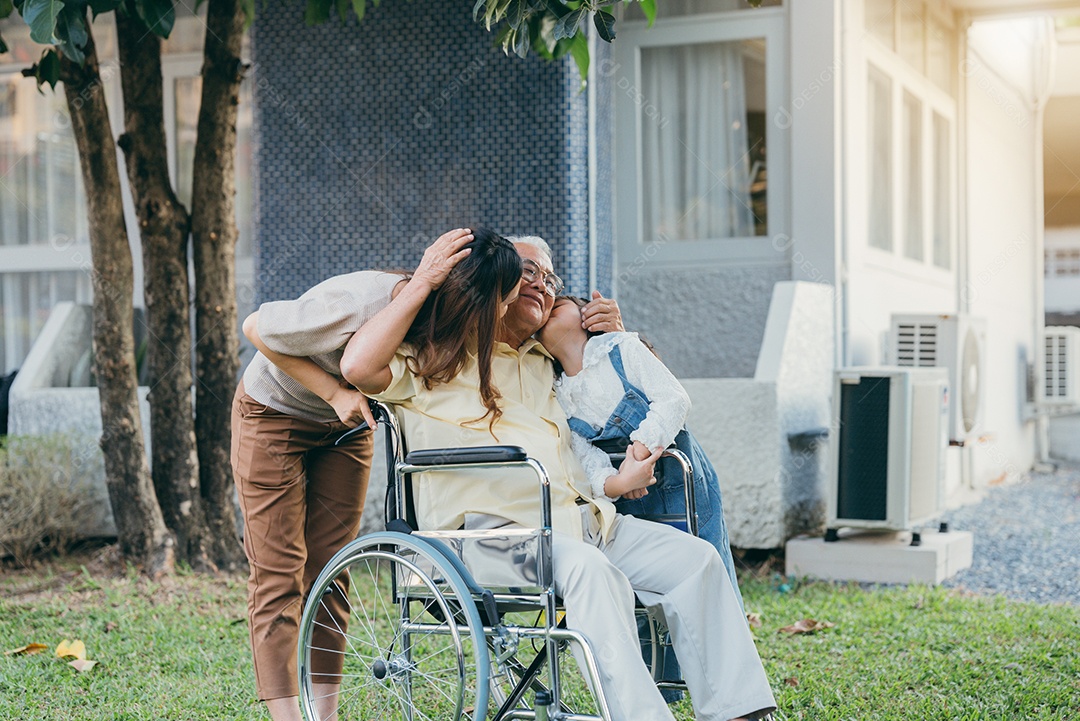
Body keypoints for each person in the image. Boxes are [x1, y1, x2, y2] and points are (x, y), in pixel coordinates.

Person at [341, 231, 777, 721]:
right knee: (589, 571)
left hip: (584, 523)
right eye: (527, 271)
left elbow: (638, 394)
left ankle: (739, 712)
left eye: (550, 278)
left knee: (695, 562)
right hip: (490, 541)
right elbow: (357, 365)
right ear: (495, 286)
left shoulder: (545, 361)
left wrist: (615, 334)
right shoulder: (434, 359)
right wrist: (424, 281)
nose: (542, 284)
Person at [231, 229, 621, 721]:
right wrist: (334, 394)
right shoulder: (362, 299)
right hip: (276, 412)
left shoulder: (454, 317)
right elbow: (257, 331)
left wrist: (602, 326)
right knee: (279, 572)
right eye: (500, 305)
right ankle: (288, 717)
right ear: (471, 300)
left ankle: (323, 713)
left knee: (331, 568)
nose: (502, 316)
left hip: (351, 424)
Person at [537, 295, 743, 607]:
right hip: (625, 499)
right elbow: (584, 459)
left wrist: (639, 453)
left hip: (676, 479)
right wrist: (618, 482)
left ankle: (719, 640)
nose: (549, 310)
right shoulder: (558, 396)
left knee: (704, 563)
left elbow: (674, 400)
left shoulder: (622, 349)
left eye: (558, 304)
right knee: (643, 590)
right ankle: (652, 656)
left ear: (587, 316)